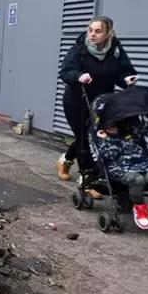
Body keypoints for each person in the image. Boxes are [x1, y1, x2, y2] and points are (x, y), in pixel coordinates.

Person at [57, 16, 137, 193]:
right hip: (77, 101)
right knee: (86, 137)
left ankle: (65, 160)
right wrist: (79, 76)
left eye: (98, 31)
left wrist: (127, 79)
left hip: (102, 102)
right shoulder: (80, 48)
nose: (92, 34)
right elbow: (66, 71)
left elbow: (123, 72)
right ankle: (88, 179)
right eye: (90, 30)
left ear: (108, 33)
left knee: (91, 136)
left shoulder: (115, 50)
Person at [96, 121, 148, 231]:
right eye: (107, 127)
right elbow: (108, 156)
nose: (111, 129)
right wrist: (106, 139)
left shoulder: (132, 137)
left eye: (113, 126)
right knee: (137, 180)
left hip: (143, 167)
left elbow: (145, 153)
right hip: (121, 169)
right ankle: (139, 208)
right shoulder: (105, 141)